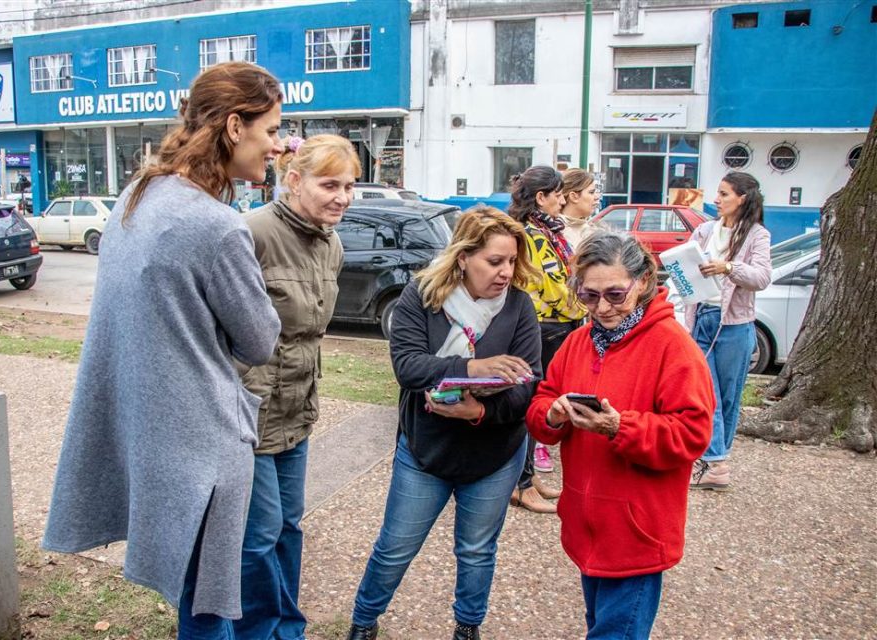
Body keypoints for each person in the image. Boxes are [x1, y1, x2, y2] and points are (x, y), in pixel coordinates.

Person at [42, 62, 284, 639]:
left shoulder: (140, 194)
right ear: (233, 126)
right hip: (201, 443)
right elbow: (260, 339)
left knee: (194, 596)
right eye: (271, 129)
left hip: (151, 430)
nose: (277, 145)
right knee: (208, 608)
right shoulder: (217, 225)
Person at [346, 206, 542, 640]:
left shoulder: (519, 307)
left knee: (476, 551)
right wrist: (474, 368)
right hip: (425, 450)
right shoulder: (422, 296)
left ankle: (467, 628)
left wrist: (482, 412)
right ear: (463, 257)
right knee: (395, 547)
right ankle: (363, 622)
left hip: (494, 454)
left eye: (512, 260)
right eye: (495, 261)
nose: (506, 272)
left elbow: (529, 385)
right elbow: (408, 367)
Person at [526, 231, 715, 639]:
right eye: (589, 296)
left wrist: (619, 427)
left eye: (615, 294)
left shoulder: (673, 347)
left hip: (636, 535)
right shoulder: (578, 342)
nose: (602, 308)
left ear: (643, 281)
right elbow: (541, 404)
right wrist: (554, 416)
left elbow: (693, 432)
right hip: (587, 527)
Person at [233, 133, 361, 640]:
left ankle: (286, 629)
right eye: (330, 184)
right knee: (258, 536)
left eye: (350, 185)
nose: (343, 197)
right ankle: (255, 632)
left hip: (297, 411)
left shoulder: (332, 244)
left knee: (288, 527)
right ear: (292, 180)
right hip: (250, 413)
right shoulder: (251, 232)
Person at [506, 165, 588, 513]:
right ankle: (520, 483)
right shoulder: (532, 235)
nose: (562, 200)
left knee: (539, 402)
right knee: (531, 405)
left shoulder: (546, 231)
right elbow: (555, 286)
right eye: (557, 194)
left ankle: (528, 477)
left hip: (554, 326)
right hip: (543, 327)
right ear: (541, 197)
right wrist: (584, 305)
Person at [687, 171, 772, 491]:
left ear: (742, 198)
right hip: (702, 318)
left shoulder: (756, 235)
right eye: (718, 194)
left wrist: (728, 267)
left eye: (724, 194)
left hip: (735, 325)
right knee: (706, 394)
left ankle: (717, 460)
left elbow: (762, 277)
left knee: (728, 396)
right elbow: (684, 265)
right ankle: (715, 462)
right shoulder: (705, 230)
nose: (717, 200)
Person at [558, 168, 601, 250]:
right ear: (574, 196)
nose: (597, 197)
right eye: (591, 192)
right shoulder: (555, 233)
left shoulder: (592, 231)